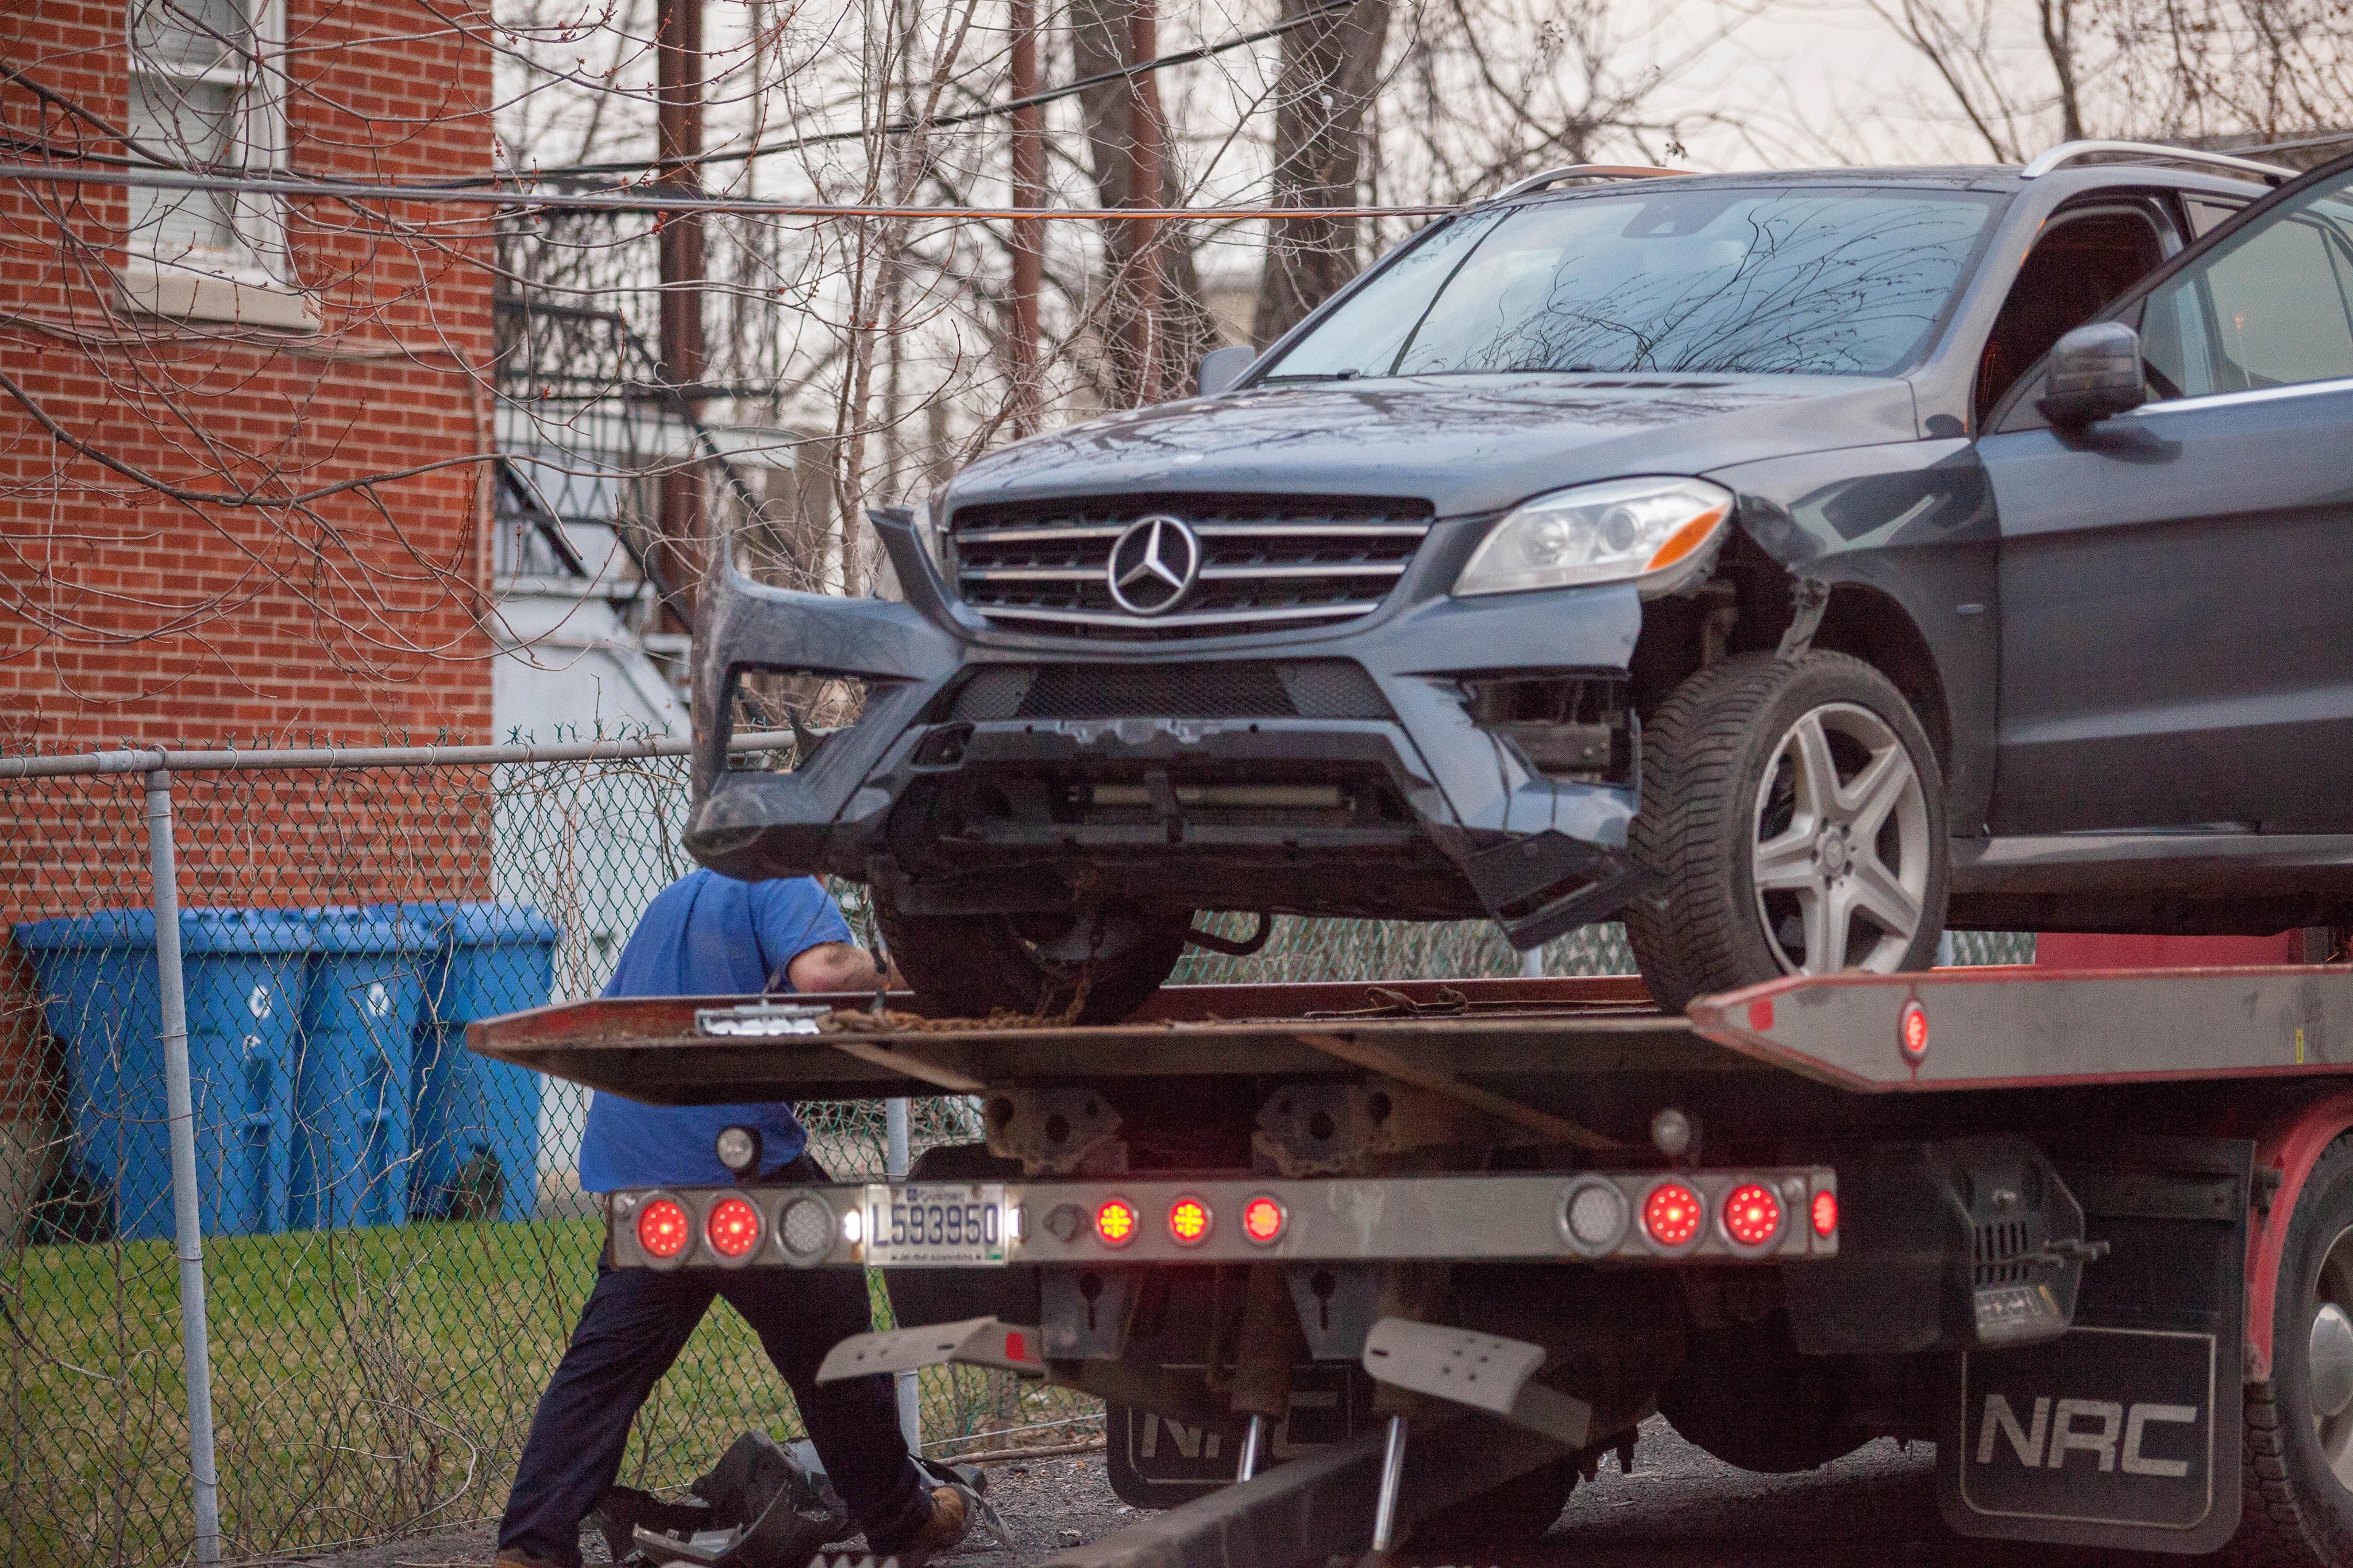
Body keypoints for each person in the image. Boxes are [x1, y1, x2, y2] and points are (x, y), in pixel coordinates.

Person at [494, 868, 968, 1568]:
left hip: (644, 1157)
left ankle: (532, 1546)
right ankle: (905, 1520)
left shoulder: (676, 898)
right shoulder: (781, 876)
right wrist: (919, 971)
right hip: (727, 1160)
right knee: (834, 1339)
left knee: (605, 1371)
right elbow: (825, 975)